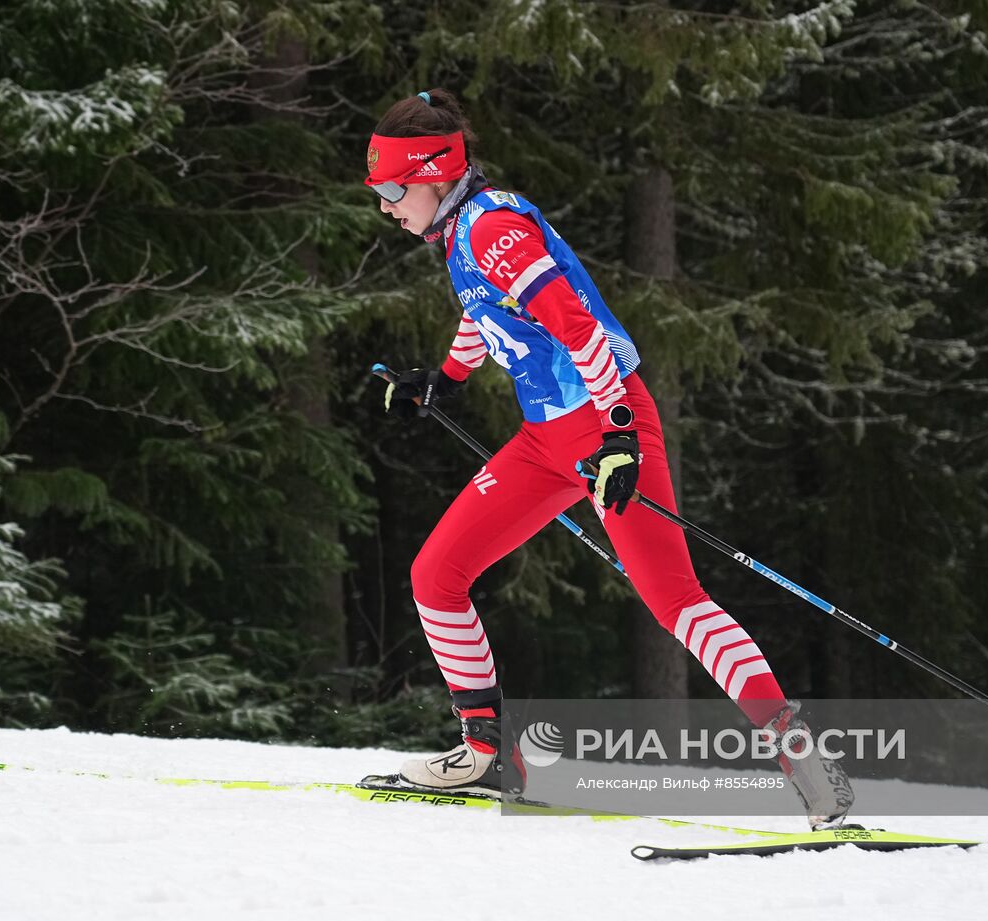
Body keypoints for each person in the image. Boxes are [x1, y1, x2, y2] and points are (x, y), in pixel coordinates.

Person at [363, 88, 854, 829]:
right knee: (436, 575)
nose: (386, 207)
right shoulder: (463, 232)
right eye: (379, 193)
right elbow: (482, 311)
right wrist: (445, 380)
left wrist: (620, 434)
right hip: (543, 443)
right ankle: (486, 751)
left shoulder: (494, 228)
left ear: (434, 175)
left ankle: (811, 770)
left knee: (677, 602)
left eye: (393, 190)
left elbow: (580, 326)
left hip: (603, 429)